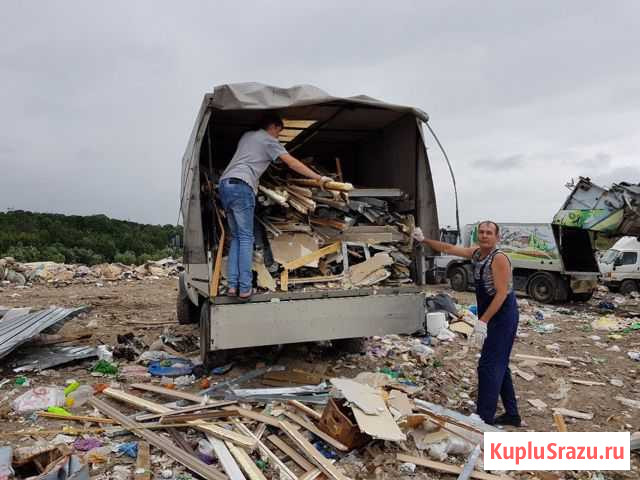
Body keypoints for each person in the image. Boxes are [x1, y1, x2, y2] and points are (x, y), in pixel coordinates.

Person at [413, 221, 521, 426]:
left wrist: (482, 322)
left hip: (503, 315)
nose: (484, 235)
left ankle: (483, 418)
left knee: (488, 366)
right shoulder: (477, 254)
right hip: (491, 314)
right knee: (500, 364)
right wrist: (424, 239)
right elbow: (449, 248)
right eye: (481, 232)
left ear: (497, 237)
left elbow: (501, 294)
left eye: (489, 233)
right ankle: (512, 414)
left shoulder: (499, 259)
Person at [218, 113, 331, 300]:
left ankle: (232, 285)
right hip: (242, 186)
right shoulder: (268, 140)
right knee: (247, 238)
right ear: (273, 127)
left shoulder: (247, 136)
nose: (278, 136)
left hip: (225, 185)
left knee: (237, 238)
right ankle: (245, 288)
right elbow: (291, 162)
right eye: (279, 132)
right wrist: (319, 178)